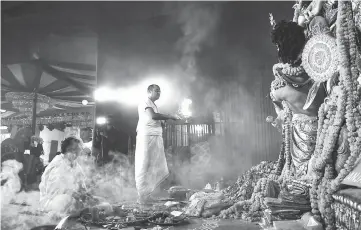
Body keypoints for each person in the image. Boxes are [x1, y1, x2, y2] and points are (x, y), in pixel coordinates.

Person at [135, 84, 178, 203]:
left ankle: (147, 194)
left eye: (160, 91)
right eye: (156, 91)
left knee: (153, 164)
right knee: (144, 164)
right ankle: (142, 196)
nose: (159, 93)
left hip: (154, 136)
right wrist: (169, 116)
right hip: (147, 136)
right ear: (149, 92)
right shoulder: (145, 101)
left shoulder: (154, 105)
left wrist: (162, 122)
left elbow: (154, 118)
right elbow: (153, 116)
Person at [39, 137, 92, 214]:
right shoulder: (58, 164)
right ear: (69, 150)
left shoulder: (75, 164)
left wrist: (85, 192)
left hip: (71, 199)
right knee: (66, 200)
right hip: (51, 202)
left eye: (80, 149)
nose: (80, 152)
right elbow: (52, 192)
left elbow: (81, 182)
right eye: (78, 149)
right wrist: (73, 193)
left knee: (93, 201)